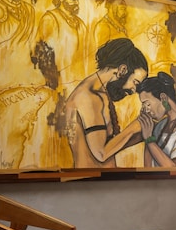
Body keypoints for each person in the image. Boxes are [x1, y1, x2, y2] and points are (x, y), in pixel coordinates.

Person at [61, 38, 148, 167]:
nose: (134, 90)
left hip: (102, 178)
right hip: (91, 178)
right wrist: (135, 125)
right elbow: (101, 153)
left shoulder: (101, 93)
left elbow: (110, 146)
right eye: (135, 83)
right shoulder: (89, 97)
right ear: (123, 70)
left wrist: (143, 133)